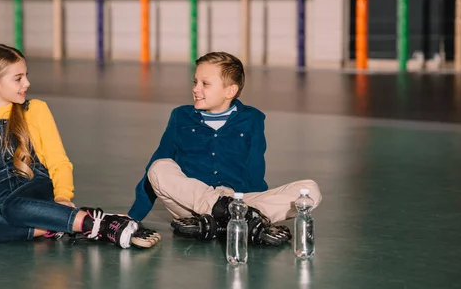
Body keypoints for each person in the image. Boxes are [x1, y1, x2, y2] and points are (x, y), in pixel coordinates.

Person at [0, 43, 159, 249]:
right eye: (18, 78)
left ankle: (102, 225)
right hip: (2, 203)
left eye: (26, 76)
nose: (27, 83)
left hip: (37, 189)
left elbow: (57, 159)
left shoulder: (35, 110)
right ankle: (64, 224)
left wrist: (62, 196)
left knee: (15, 207)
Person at [127, 51, 322, 245]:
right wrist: (133, 216)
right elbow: (159, 159)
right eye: (195, 82)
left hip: (239, 200)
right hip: (191, 205)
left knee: (310, 190)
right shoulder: (181, 117)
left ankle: (222, 223)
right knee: (159, 168)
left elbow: (255, 168)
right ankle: (240, 221)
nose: (196, 89)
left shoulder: (252, 119)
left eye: (205, 84)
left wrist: (255, 204)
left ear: (230, 91)